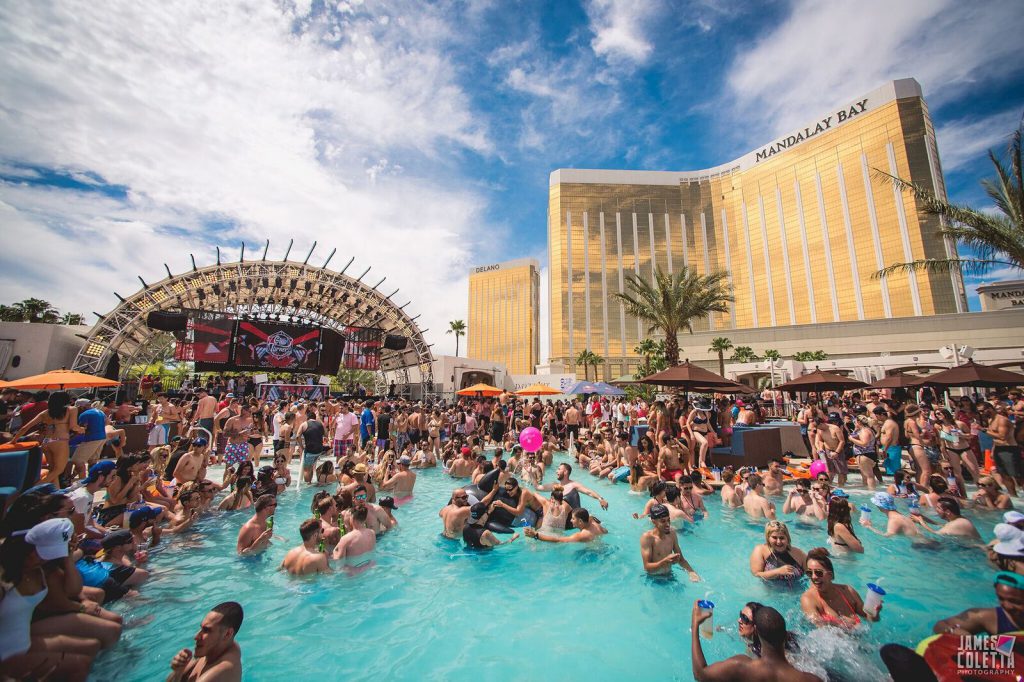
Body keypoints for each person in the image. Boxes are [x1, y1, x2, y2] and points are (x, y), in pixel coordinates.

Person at [0, 518, 102, 682]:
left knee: (93, 645)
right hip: (7, 654)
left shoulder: (38, 569)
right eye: (35, 553)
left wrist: (67, 556)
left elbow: (73, 590)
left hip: (23, 642)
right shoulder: (5, 581)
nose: (40, 558)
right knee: (80, 664)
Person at [691, 601, 820, 682]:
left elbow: (700, 674)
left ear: (757, 630)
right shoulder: (810, 679)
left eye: (745, 618)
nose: (739, 620)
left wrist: (695, 624)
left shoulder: (740, 666)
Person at [801, 547, 879, 628]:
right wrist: (841, 623)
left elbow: (869, 618)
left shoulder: (848, 591)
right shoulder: (808, 599)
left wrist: (874, 612)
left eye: (818, 573)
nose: (813, 577)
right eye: (809, 573)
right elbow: (817, 625)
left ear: (830, 575)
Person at [167, 601, 244, 682]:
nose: (196, 637)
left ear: (227, 634)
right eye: (201, 628)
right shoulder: (223, 646)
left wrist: (178, 674)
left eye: (206, 630)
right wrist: (178, 670)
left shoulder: (220, 672)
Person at [933, 571, 1024, 635]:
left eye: (1015, 601)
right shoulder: (990, 618)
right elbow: (940, 625)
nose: (1007, 606)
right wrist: (952, 631)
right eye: (1001, 599)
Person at [640, 503, 699, 580]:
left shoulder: (672, 533)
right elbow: (647, 567)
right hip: (654, 578)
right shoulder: (647, 538)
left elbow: (681, 559)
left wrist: (691, 572)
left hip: (669, 575)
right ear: (654, 522)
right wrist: (664, 562)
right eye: (663, 521)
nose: (667, 524)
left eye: (668, 520)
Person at [535, 462, 608, 510]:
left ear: (565, 472)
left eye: (559, 469)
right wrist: (530, 474)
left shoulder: (573, 485)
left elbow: (588, 492)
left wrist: (600, 499)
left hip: (573, 520)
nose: (556, 471)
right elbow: (538, 487)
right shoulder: (555, 485)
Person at [332, 506, 376, 574]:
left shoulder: (346, 538)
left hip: (354, 573)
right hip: (370, 567)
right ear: (365, 519)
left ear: (352, 517)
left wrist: (334, 551)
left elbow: (339, 562)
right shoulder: (372, 533)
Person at [524, 507, 606, 543]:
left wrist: (536, 535)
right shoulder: (591, 520)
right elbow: (592, 517)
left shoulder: (582, 535)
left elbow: (558, 540)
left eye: (573, 519)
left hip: (596, 552)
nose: (570, 520)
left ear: (580, 521)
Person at [912, 497, 980, 539]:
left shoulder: (957, 523)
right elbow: (940, 525)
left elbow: (936, 534)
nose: (936, 509)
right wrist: (923, 517)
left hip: (973, 551)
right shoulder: (958, 519)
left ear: (948, 512)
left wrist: (920, 522)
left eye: (938, 508)